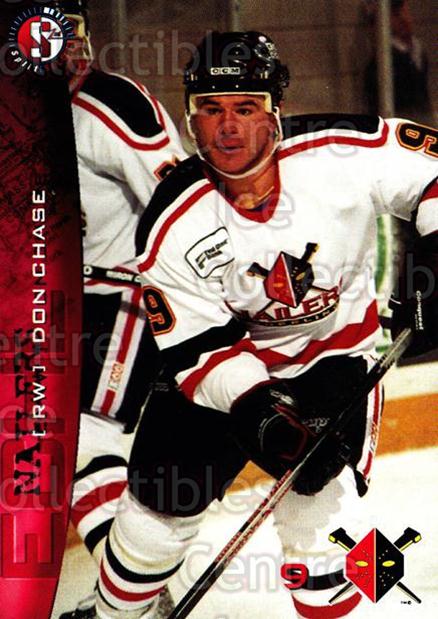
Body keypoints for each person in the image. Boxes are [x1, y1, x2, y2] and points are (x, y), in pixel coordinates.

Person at [88, 31, 436, 619]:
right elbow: (199, 348)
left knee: (323, 537)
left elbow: (432, 173)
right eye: (211, 109)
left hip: (333, 363)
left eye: (246, 107)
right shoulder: (172, 221)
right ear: (190, 119)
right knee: (153, 519)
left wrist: (435, 254)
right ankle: (112, 615)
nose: (228, 128)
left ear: (276, 110)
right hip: (223, 376)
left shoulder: (338, 151)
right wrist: (257, 409)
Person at [53, 2, 186, 617]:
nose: (63, 49)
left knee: (83, 438)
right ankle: (131, 591)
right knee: (57, 448)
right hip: (60, 307)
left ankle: (133, 599)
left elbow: (180, 202)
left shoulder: (110, 103)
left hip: (125, 296)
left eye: (70, 32)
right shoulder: (22, 119)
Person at [364, 0, 433, 124]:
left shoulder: (417, 50)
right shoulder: (379, 66)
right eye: (396, 14)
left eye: (405, 11)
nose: (404, 19)